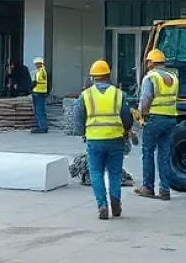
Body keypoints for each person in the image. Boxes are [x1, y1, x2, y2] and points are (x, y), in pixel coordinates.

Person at [72, 60, 133, 220]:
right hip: (116, 139)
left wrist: (83, 132)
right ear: (108, 76)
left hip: (95, 140)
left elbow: (77, 117)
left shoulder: (86, 95)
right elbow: (127, 117)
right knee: (114, 172)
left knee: (96, 173)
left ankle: (102, 205)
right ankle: (115, 202)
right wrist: (126, 131)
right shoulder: (119, 94)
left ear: (93, 77)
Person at [134, 48, 178, 201]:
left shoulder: (151, 78)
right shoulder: (173, 77)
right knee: (164, 155)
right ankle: (165, 190)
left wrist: (141, 116)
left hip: (154, 119)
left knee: (148, 152)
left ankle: (148, 187)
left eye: (148, 62)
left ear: (151, 62)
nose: (147, 64)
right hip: (171, 118)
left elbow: (146, 99)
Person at [30, 55, 49, 134]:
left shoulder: (40, 71)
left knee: (39, 110)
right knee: (40, 110)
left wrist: (30, 87)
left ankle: (42, 127)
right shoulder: (42, 70)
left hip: (38, 92)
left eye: (37, 64)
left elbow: (35, 82)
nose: (36, 65)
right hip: (41, 92)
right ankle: (42, 126)